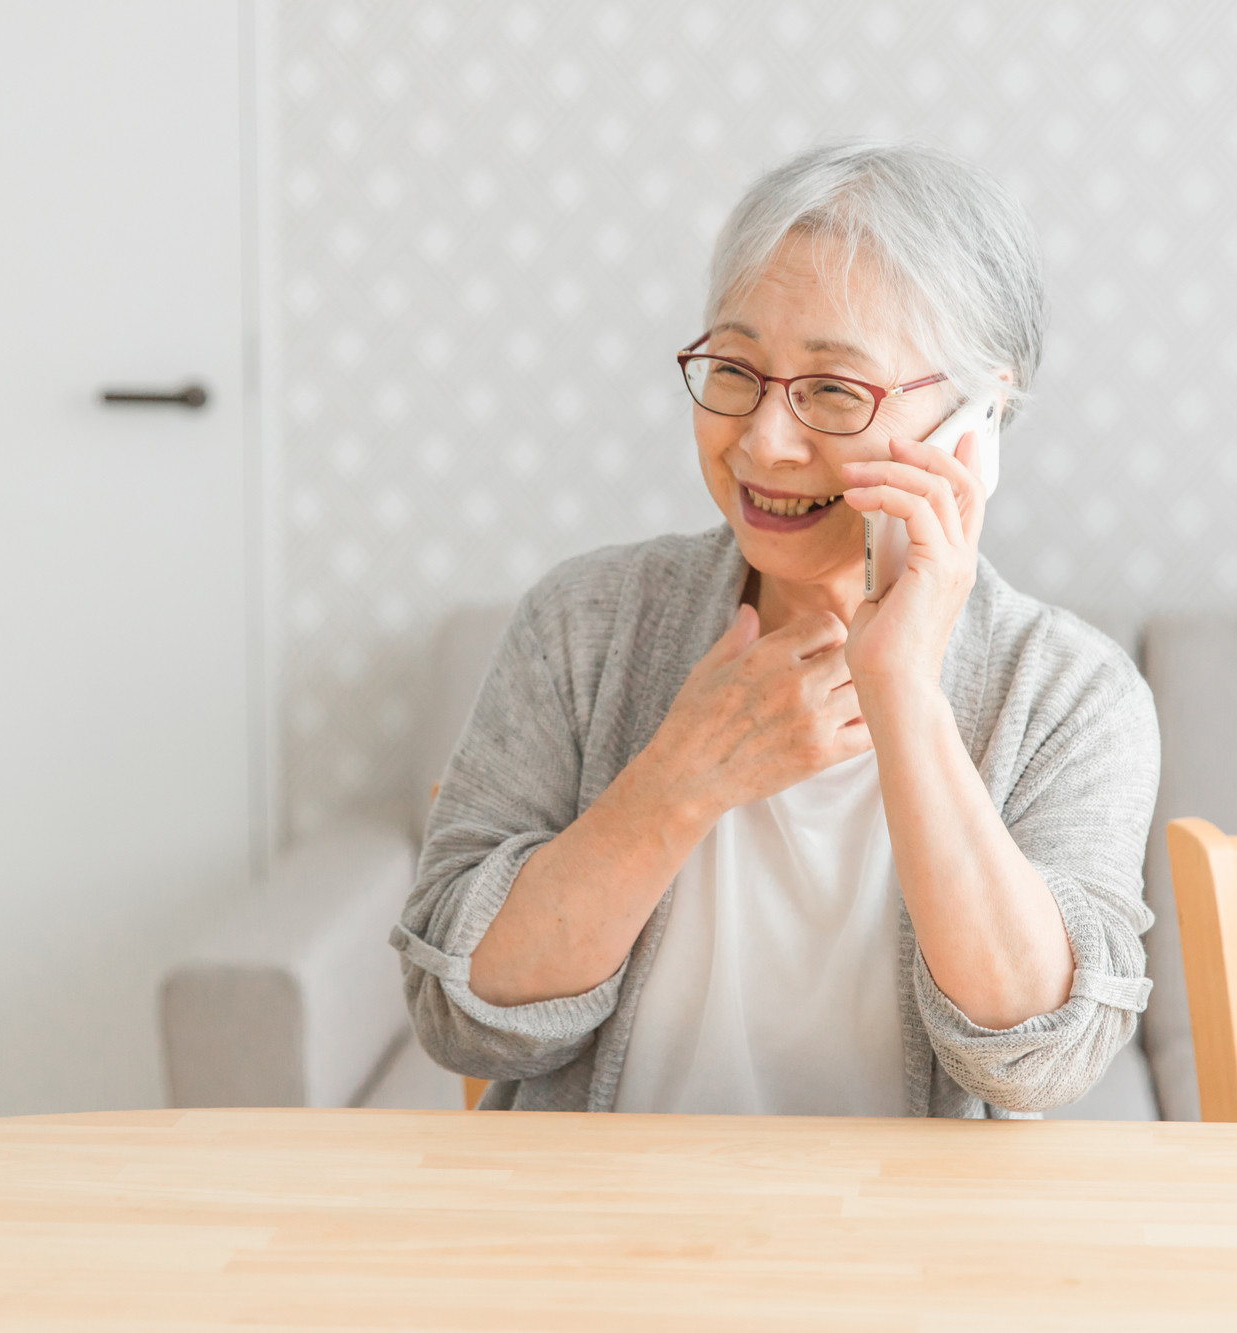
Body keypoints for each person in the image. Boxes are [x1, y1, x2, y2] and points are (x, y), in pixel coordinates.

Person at [391, 141, 1159, 1118]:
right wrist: (677, 781)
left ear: (975, 418)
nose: (762, 442)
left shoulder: (1070, 695)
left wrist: (903, 691)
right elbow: (458, 1018)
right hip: (603, 1240)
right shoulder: (581, 624)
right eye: (735, 369)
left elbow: (1037, 1061)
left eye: (833, 391)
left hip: (909, 1256)